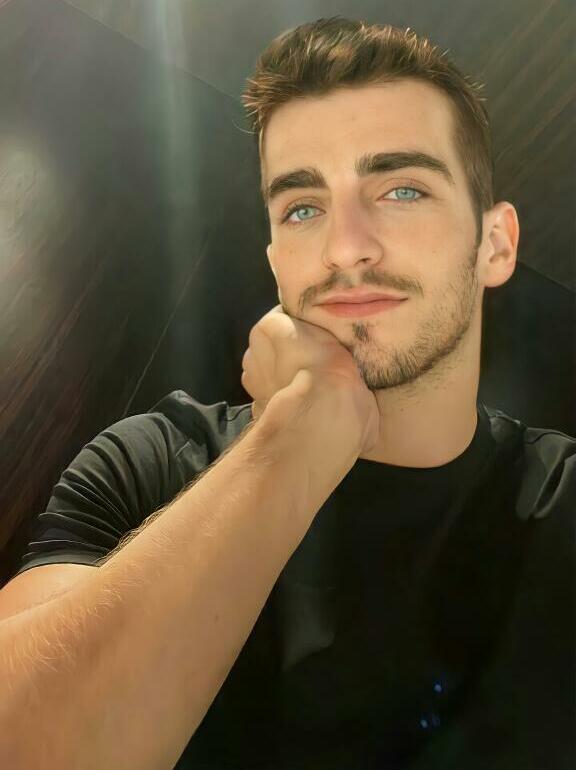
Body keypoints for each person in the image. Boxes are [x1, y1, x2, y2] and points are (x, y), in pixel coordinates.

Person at [1, 16, 574, 770]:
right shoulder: (151, 464)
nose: (345, 247)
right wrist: (298, 435)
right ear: (277, 263)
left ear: (494, 244)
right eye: (303, 207)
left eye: (402, 190)